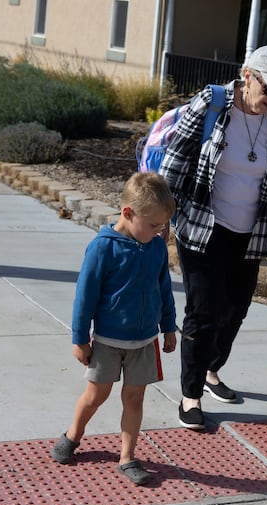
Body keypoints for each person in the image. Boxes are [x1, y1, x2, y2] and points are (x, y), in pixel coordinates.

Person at [159, 45, 267, 430]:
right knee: (203, 312)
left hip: (251, 232)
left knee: (235, 310)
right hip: (203, 225)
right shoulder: (212, 104)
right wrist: (160, 215)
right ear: (247, 77)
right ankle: (191, 394)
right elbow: (176, 160)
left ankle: (210, 368)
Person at [50, 172, 178, 486]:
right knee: (96, 395)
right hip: (108, 339)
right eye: (153, 225)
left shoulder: (156, 247)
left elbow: (164, 289)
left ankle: (127, 457)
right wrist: (80, 338)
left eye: (162, 226)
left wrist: (168, 326)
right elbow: (85, 296)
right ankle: (73, 434)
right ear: (128, 213)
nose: (159, 232)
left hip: (144, 341)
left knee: (134, 398)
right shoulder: (102, 248)